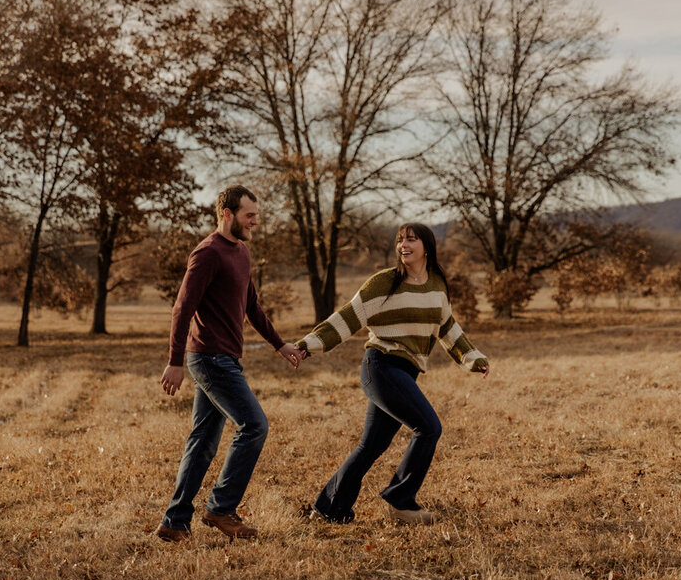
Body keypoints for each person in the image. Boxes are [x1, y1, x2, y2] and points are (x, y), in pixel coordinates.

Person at [296, 223, 489, 526]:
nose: (404, 245)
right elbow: (348, 316)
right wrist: (309, 344)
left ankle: (328, 509)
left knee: (371, 445)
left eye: (411, 240)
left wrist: (472, 357)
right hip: (381, 366)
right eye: (400, 240)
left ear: (427, 246)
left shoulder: (437, 283)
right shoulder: (384, 283)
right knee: (428, 427)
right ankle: (401, 501)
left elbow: (447, 327)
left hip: (406, 372)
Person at [157, 185, 302, 542]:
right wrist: (175, 361)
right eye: (249, 215)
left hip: (226, 358)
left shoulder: (241, 253)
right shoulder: (207, 254)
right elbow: (182, 308)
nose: (255, 221)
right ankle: (220, 508)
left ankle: (174, 522)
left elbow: (251, 306)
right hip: (209, 358)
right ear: (227, 214)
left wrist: (279, 343)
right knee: (254, 425)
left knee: (202, 441)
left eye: (256, 214)